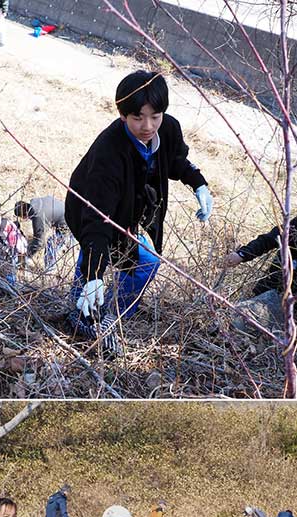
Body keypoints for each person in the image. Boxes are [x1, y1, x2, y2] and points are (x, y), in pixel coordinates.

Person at [66, 70, 213, 356]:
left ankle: (112, 314)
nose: (148, 126)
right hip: (90, 208)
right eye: (138, 118)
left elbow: (175, 160)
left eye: (155, 116)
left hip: (129, 209)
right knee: (96, 251)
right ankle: (81, 313)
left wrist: (198, 183)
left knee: (144, 263)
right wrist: (95, 273)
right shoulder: (108, 152)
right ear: (122, 115)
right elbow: (97, 218)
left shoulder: (167, 129)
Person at [14, 196, 69, 271]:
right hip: (67, 209)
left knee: (51, 245)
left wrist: (27, 255)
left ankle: (50, 271)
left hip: (69, 223)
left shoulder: (38, 216)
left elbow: (40, 242)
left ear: (24, 215)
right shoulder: (36, 202)